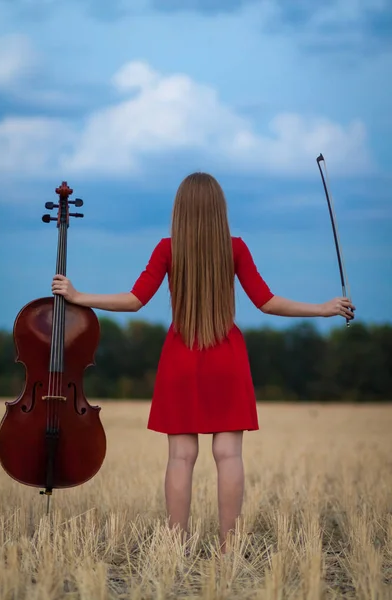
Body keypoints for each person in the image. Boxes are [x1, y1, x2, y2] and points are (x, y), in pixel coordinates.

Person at [52, 172, 355, 553]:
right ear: (219, 210)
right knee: (229, 455)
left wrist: (79, 295)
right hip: (226, 359)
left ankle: (176, 547)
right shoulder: (236, 249)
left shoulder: (167, 249)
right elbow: (267, 302)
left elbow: (134, 300)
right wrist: (322, 308)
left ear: (180, 210)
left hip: (181, 359)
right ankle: (229, 549)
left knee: (181, 456)